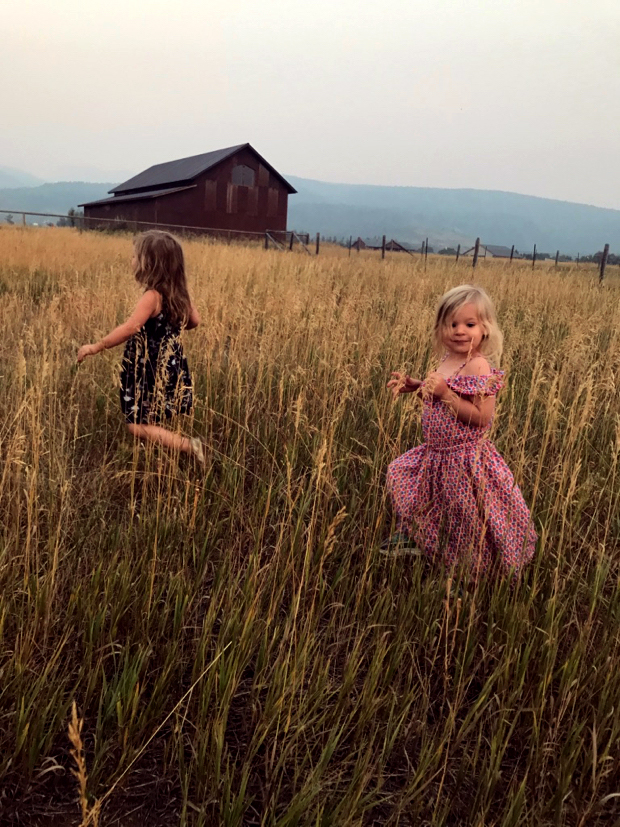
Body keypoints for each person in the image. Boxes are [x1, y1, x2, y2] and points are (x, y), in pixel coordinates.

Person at [384, 284, 536, 576]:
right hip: (436, 455)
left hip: (463, 460)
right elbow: (436, 397)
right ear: (440, 327)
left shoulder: (479, 367)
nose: (459, 331)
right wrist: (417, 386)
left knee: (464, 516)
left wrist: (446, 395)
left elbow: (481, 418)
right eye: (451, 323)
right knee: (406, 479)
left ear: (485, 329)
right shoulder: (448, 359)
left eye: (469, 324)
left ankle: (470, 569)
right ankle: (423, 540)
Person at [77, 230, 205, 465]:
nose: (132, 260)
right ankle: (160, 452)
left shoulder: (152, 296)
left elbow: (130, 328)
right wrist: (169, 327)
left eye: (135, 256)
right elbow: (194, 321)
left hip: (146, 367)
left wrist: (97, 346)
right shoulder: (180, 295)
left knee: (136, 425)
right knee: (151, 412)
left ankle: (188, 446)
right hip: (169, 363)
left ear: (150, 264)